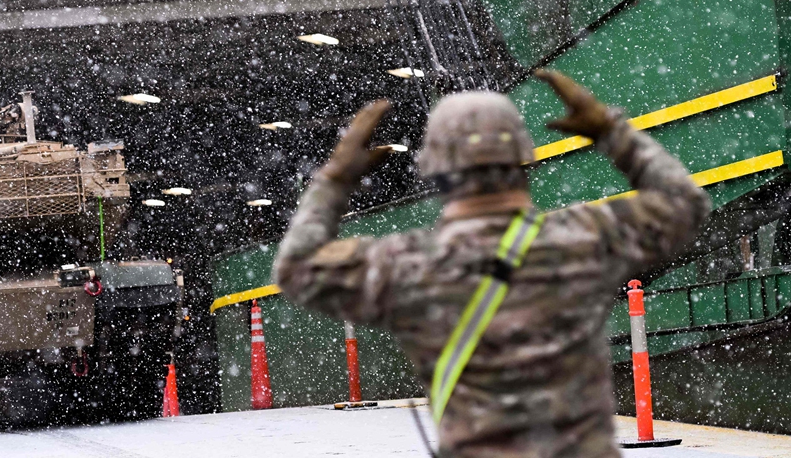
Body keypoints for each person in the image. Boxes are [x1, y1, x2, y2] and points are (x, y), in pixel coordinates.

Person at [274, 70, 711, 458]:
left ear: (434, 170)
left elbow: (294, 267)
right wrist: (611, 132)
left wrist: (334, 179)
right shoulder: (588, 236)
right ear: (524, 160)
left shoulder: (402, 265)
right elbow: (685, 202)